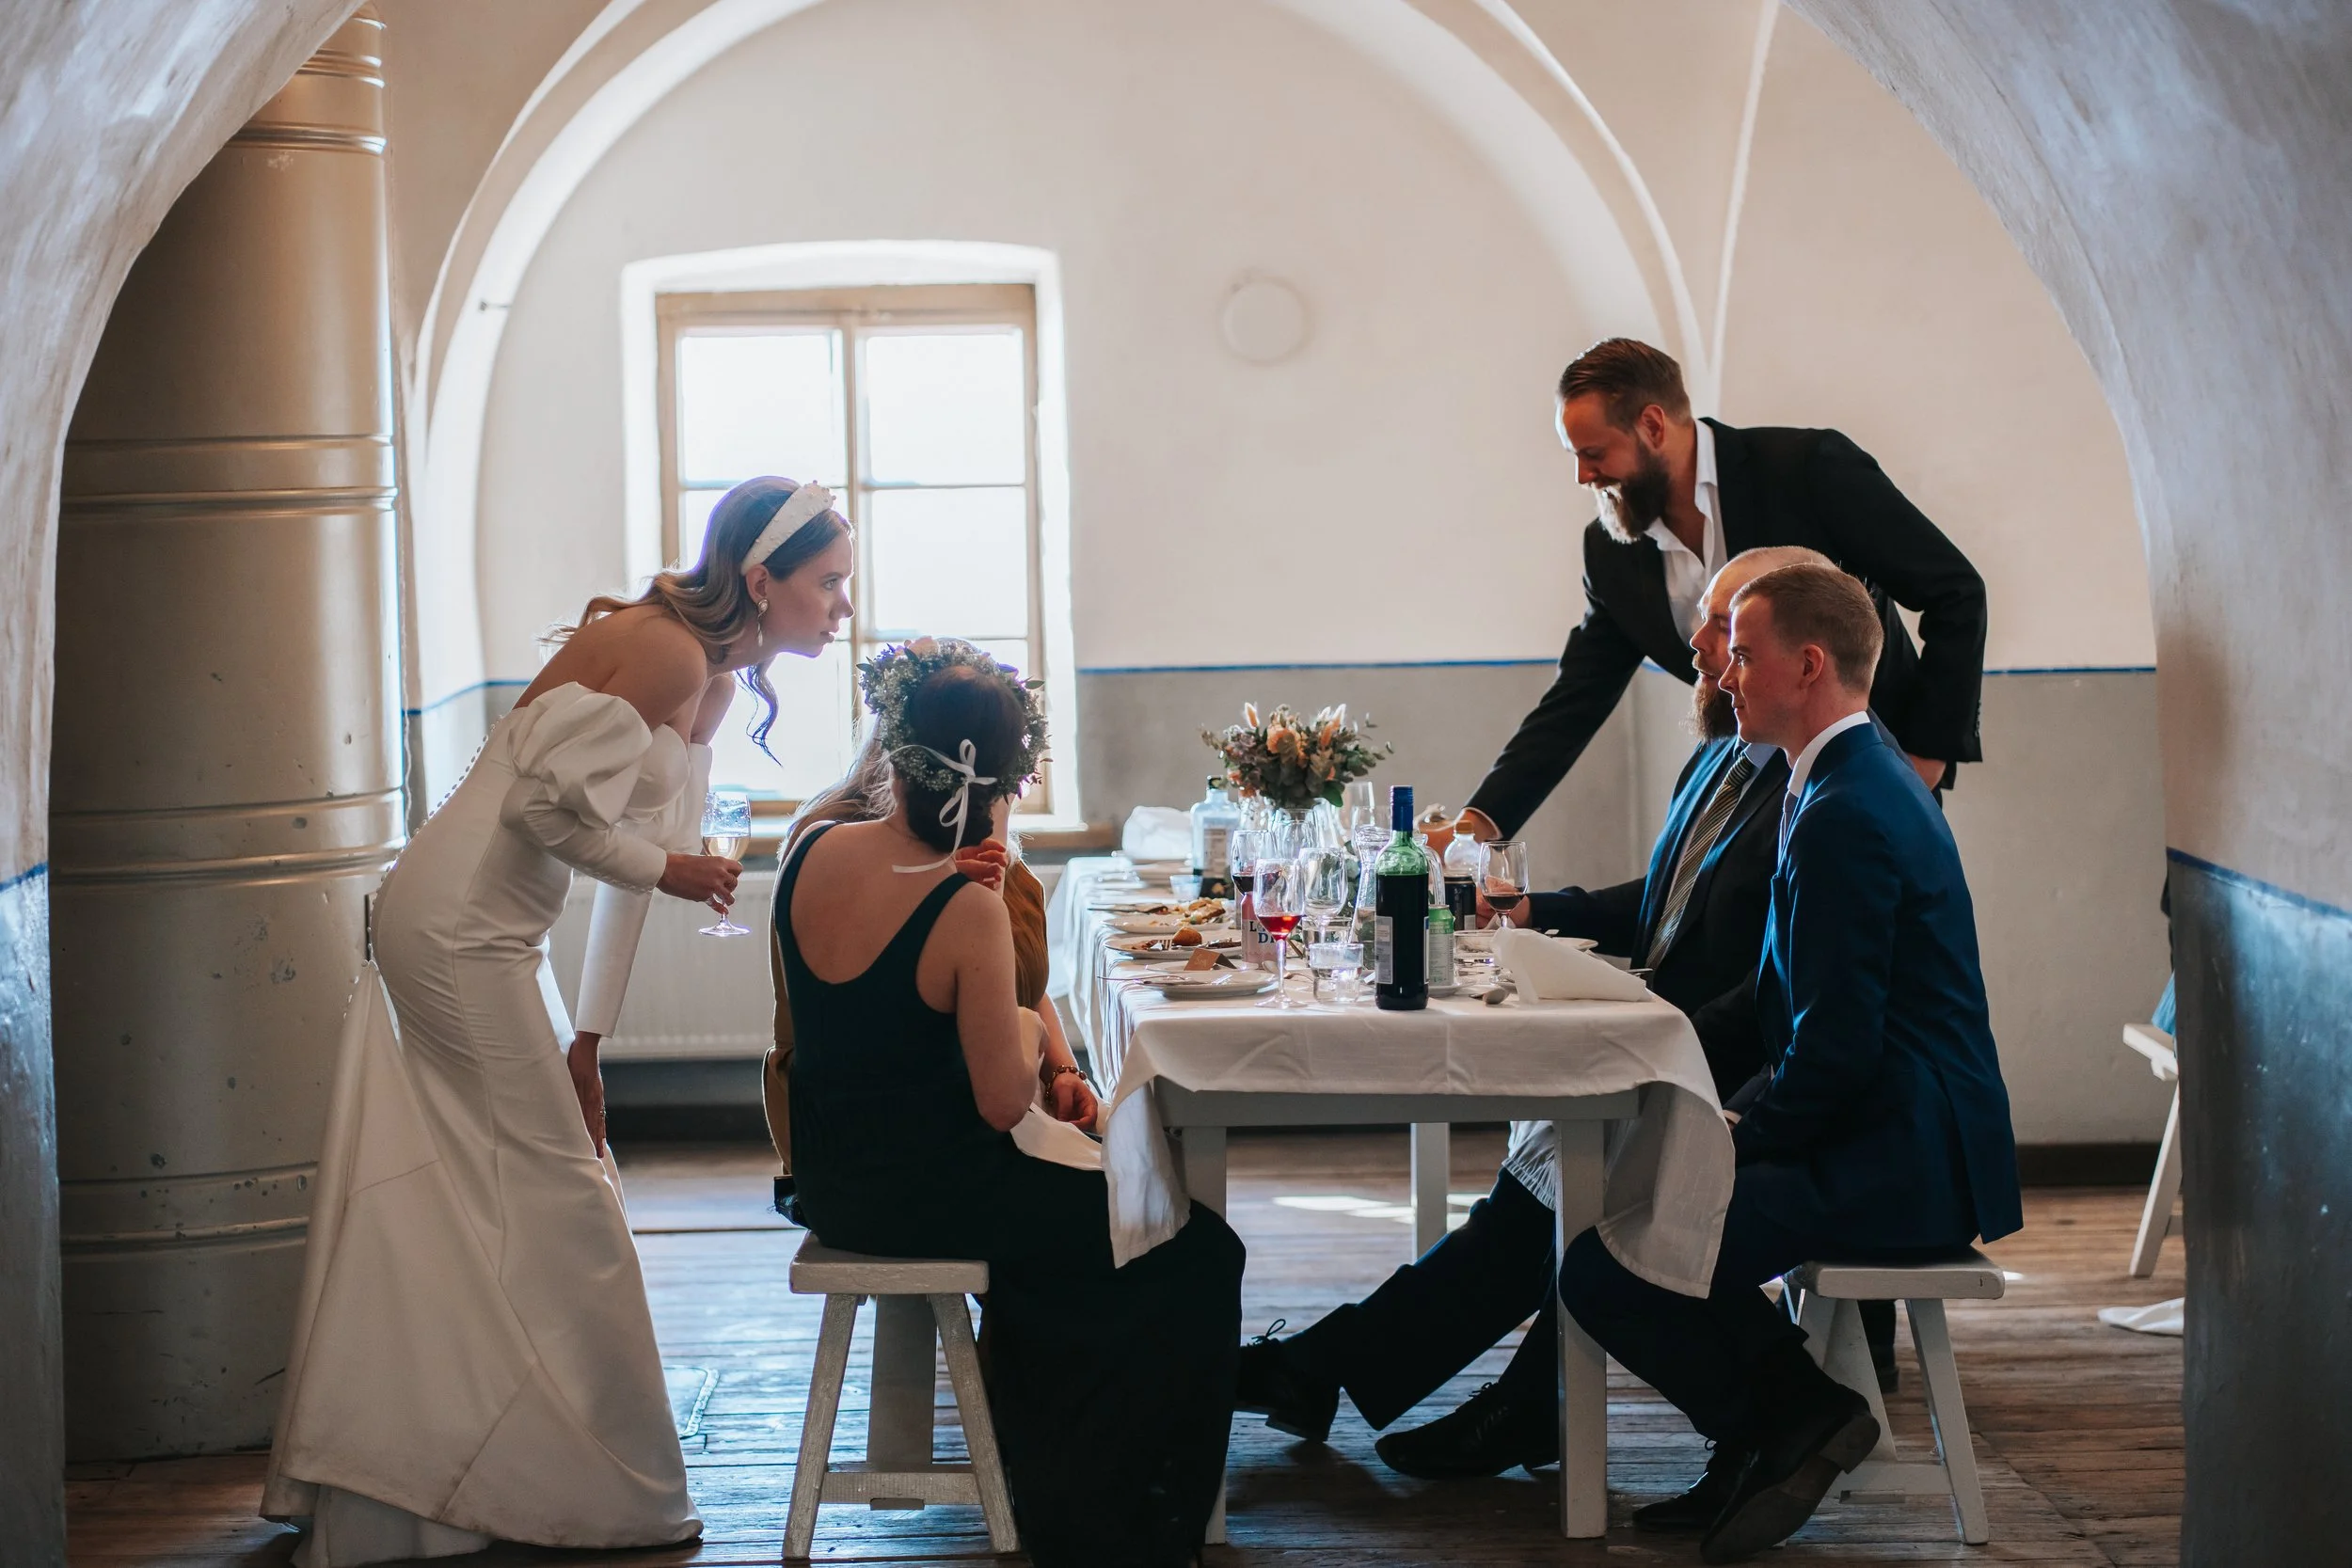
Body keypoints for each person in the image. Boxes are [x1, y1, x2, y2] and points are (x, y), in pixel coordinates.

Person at [262, 475, 851, 1565]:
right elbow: (546, 812)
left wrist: (590, 1040)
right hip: (454, 925)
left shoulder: (709, 682)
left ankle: (449, 1459)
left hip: (499, 934)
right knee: (564, 1194)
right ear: (761, 579)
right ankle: (584, 1478)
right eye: (827, 583)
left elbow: (628, 875)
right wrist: (672, 867)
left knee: (518, 1179)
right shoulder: (668, 649)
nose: (841, 607)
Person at [1232, 546, 1820, 1484]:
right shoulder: (1719, 761)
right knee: (1538, 1181)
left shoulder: (1808, 786)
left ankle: (1410, 1380)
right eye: (1710, 627)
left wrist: (1648, 1035)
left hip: (1732, 1062)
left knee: (1546, 1184)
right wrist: (1532, 910)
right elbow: (1660, 904)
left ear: (1800, 650)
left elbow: (1786, 978)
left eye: (1727, 630)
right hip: (1671, 1041)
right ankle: (1468, 1389)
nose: (1704, 650)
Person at [1554, 562, 2022, 1563]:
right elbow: (1785, 1007)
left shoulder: (1845, 807)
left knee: (1611, 1258)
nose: (1724, 673)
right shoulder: (1849, 778)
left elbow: (1839, 1048)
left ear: (1808, 665)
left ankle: (1796, 1418)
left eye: (1746, 652)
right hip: (1881, 1122)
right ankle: (1765, 1433)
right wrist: (1669, 1077)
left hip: (1901, 1155)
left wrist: (1735, 1133)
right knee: (1633, 1215)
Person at [778, 639, 1243, 1568]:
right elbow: (1000, 1101)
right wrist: (1029, 1036)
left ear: (895, 751)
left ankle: (1051, 1465)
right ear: (1004, 779)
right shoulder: (965, 905)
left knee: (1083, 1236)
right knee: (1192, 1248)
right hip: (929, 1189)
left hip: (829, 1177)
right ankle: (1120, 1513)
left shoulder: (812, 849)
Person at [1454, 337, 1986, 850]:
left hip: (1863, 785)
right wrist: (1479, 821)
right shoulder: (1611, 549)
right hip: (1742, 805)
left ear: (1652, 425)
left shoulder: (1807, 469)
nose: (1582, 475)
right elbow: (1576, 697)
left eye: (1593, 453)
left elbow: (1956, 592)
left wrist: (1927, 754)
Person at [761, 735, 1094, 1205]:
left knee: (1130, 1176)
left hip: (985, 1101)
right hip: (882, 1127)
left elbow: (1024, 984)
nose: (1001, 799)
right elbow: (870, 1001)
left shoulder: (1003, 863)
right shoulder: (832, 843)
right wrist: (944, 898)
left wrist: (1064, 1070)